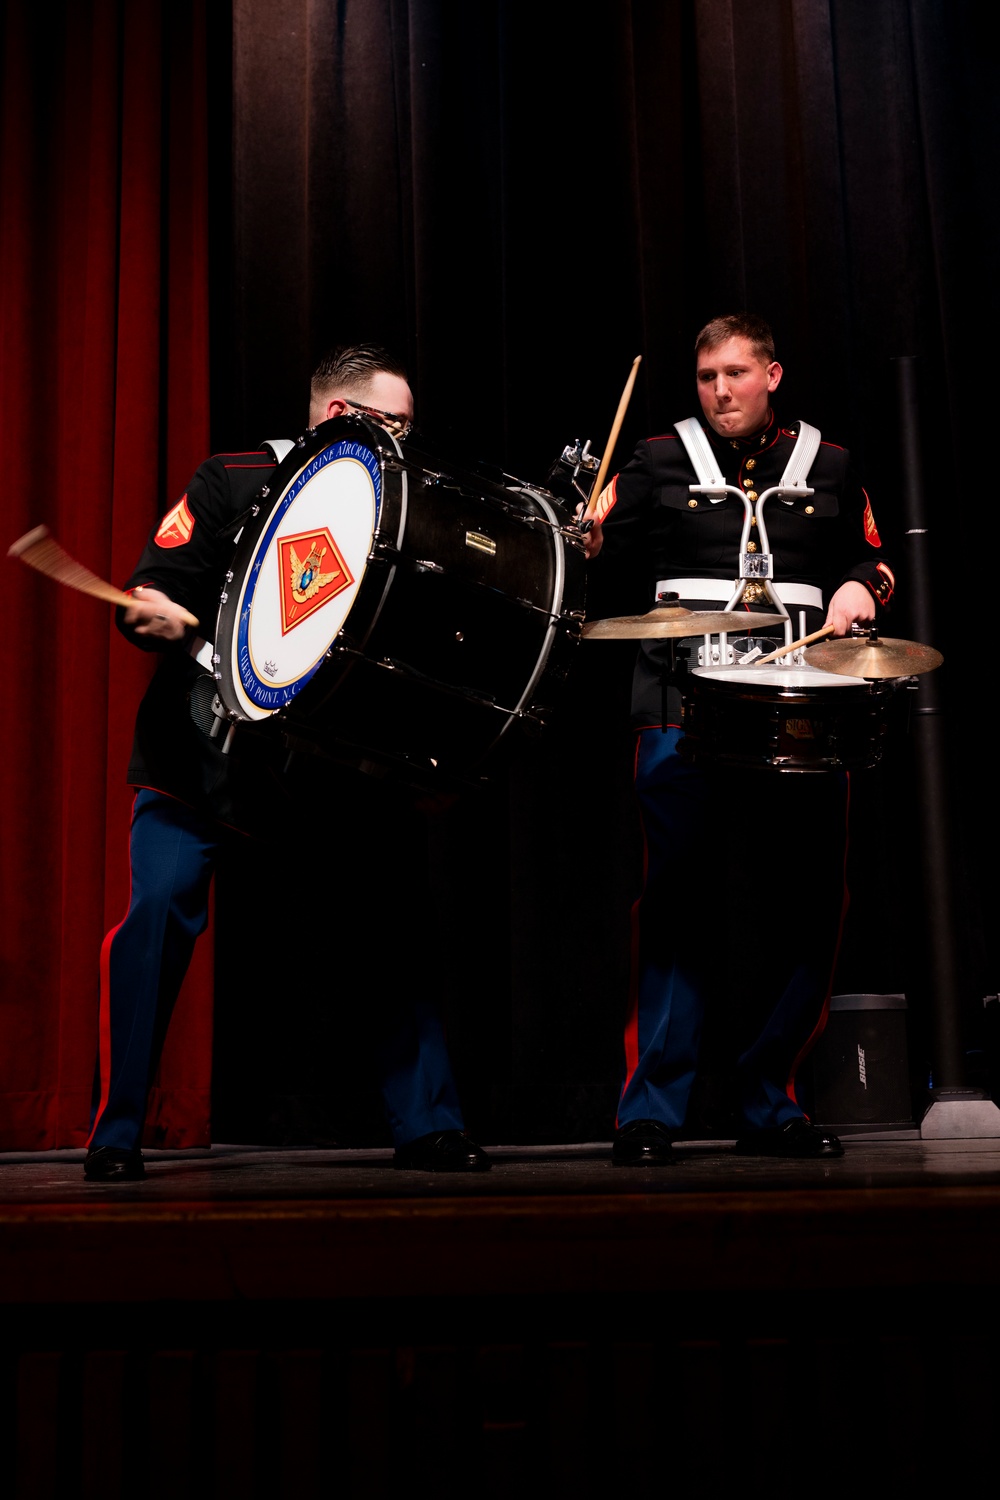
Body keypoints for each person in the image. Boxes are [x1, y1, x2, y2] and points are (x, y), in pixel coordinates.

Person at [85, 343, 491, 1180]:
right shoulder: (232, 479)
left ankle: (430, 1124)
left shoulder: (408, 513)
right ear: (346, 418)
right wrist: (151, 610)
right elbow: (156, 585)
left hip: (331, 773)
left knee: (394, 933)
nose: (408, 444)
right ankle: (116, 1131)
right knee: (156, 914)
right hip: (202, 759)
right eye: (397, 425)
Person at [582, 313, 895, 1165]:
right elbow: (596, 548)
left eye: (735, 373)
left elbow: (873, 557)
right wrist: (590, 536)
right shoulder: (652, 459)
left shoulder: (828, 464)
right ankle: (650, 1110)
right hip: (681, 701)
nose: (720, 390)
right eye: (707, 376)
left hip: (802, 703)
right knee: (675, 904)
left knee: (808, 906)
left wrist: (861, 590)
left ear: (772, 375)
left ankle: (770, 1099)